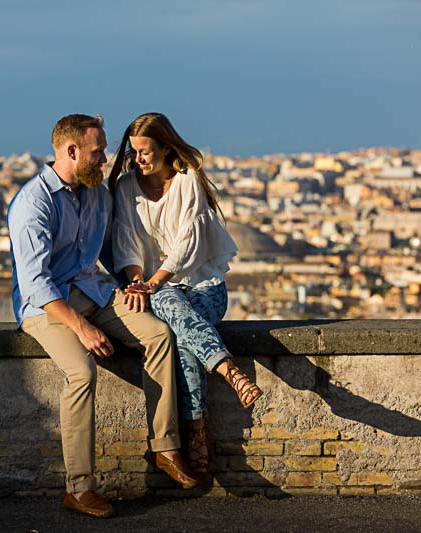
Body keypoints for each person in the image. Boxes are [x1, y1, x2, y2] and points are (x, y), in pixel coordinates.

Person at [8, 114, 199, 519]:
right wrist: (82, 327)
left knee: (159, 335)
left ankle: (164, 446)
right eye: (98, 152)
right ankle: (79, 488)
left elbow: (114, 251)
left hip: (95, 291)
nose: (106, 158)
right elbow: (36, 285)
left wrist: (138, 283)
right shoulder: (33, 203)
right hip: (49, 307)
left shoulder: (97, 194)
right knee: (81, 373)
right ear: (71, 151)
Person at [108, 112, 263, 479]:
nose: (139, 160)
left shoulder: (187, 181)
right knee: (177, 336)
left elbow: (187, 245)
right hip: (161, 289)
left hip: (205, 290)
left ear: (165, 147)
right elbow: (126, 243)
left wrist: (153, 282)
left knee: (165, 303)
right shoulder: (127, 186)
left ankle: (194, 432)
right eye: (134, 153)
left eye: (145, 152)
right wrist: (138, 281)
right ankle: (225, 374)